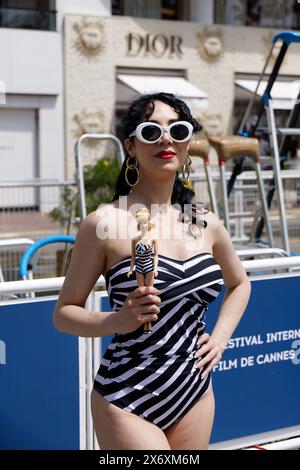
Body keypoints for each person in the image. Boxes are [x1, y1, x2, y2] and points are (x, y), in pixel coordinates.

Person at [53, 92, 251, 450]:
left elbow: (240, 284)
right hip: (127, 395)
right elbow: (63, 314)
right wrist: (116, 320)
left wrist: (220, 339)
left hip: (194, 390)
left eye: (178, 130)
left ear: (188, 142)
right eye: (150, 131)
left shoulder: (203, 221)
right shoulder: (105, 222)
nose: (166, 140)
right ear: (130, 145)